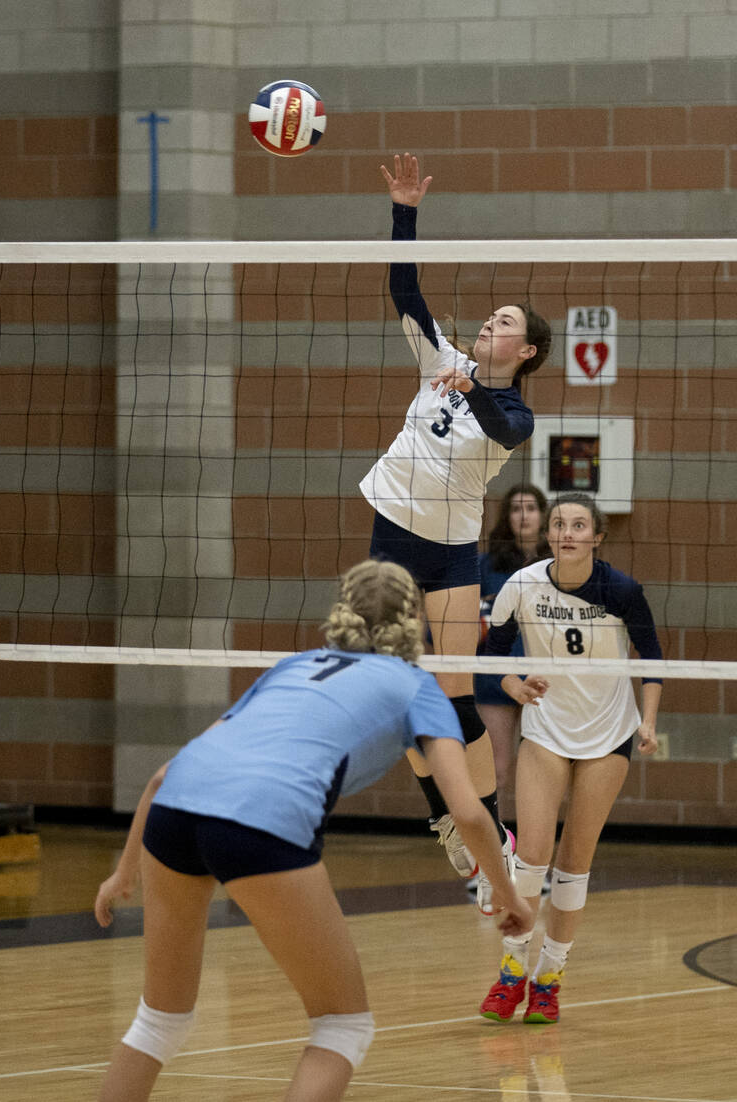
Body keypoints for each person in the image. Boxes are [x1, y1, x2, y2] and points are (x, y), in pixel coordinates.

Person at [94, 559, 533, 1102]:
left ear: (342, 613)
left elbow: (163, 774)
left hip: (175, 812)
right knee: (340, 1026)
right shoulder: (418, 687)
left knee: (159, 1020)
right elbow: (467, 812)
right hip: (261, 821)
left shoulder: (294, 666)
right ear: (415, 622)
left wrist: (123, 873)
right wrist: (509, 894)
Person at [360, 153, 551, 915]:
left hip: (449, 552)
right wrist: (405, 211)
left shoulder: (512, 412)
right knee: (400, 691)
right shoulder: (439, 359)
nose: (488, 324)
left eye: (504, 323)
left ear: (526, 349)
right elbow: (405, 289)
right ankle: (451, 825)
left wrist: (471, 381)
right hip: (393, 538)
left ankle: (488, 836)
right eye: (489, 318)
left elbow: (502, 419)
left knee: (451, 688)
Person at [478, 493, 661, 1025]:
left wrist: (647, 720)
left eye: (580, 525)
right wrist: (516, 686)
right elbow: (489, 658)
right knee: (532, 855)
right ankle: (512, 973)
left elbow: (652, 660)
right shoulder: (523, 584)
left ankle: (550, 980)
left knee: (574, 863)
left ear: (597, 537)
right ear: (549, 534)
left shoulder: (622, 590)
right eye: (560, 524)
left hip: (608, 735)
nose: (567, 533)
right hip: (546, 728)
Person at [475, 483, 549, 788]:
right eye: (516, 509)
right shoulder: (485, 566)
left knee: (542, 773)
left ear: (543, 516)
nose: (523, 516)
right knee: (496, 770)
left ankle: (537, 836)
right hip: (496, 680)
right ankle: (493, 837)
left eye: (531, 508)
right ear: (506, 517)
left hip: (544, 679)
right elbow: (453, 621)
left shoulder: (557, 568)